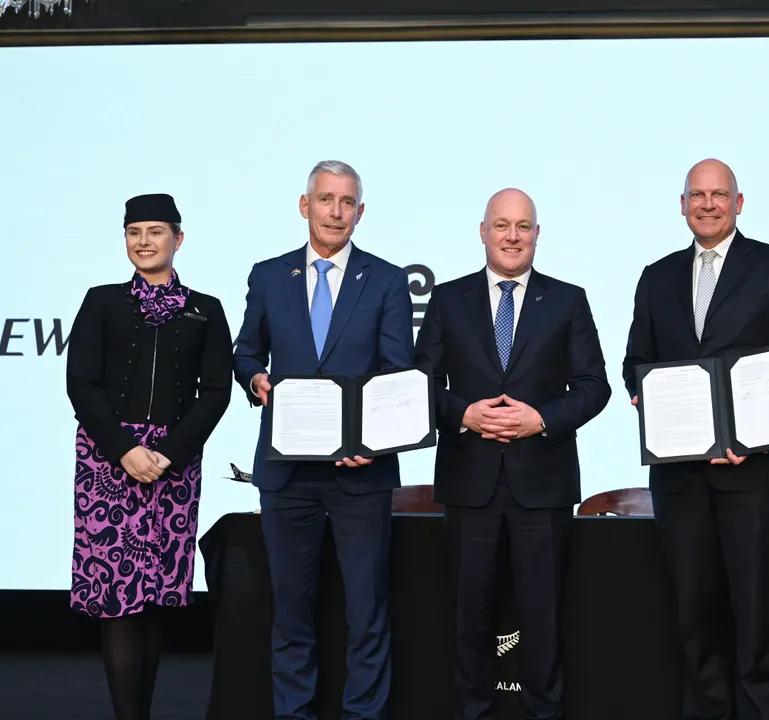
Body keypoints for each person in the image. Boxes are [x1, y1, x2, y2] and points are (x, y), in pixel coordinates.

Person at [622, 159, 769, 720]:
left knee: (758, 626)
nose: (707, 204)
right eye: (697, 195)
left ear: (739, 201)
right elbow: (636, 362)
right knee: (694, 623)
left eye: (718, 194)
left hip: (755, 477)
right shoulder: (655, 275)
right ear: (681, 204)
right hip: (681, 480)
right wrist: (645, 394)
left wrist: (752, 438)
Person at [414, 188, 610, 720]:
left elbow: (595, 386)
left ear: (537, 235)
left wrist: (541, 418)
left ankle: (545, 713)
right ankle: (473, 712)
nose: (512, 236)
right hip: (469, 482)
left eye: (523, 227)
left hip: (542, 485)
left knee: (543, 618)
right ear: (482, 231)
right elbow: (419, 384)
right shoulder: (449, 299)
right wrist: (464, 414)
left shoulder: (568, 299)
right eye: (501, 225)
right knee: (469, 617)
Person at [232, 160, 414, 720]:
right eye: (326, 199)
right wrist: (254, 377)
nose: (336, 211)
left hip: (361, 472)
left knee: (367, 611)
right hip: (286, 473)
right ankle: (294, 713)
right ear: (304, 205)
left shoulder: (385, 279)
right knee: (291, 610)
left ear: (361, 212)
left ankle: (364, 714)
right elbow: (244, 351)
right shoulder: (268, 276)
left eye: (347, 202)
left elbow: (397, 372)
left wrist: (376, 442)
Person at [66, 193, 234, 720]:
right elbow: (80, 384)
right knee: (116, 601)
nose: (144, 241)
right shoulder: (101, 301)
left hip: (173, 467)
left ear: (177, 239)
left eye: (155, 231)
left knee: (157, 597)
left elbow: (216, 393)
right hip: (107, 466)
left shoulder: (206, 308)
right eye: (134, 232)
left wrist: (167, 455)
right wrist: (123, 451)